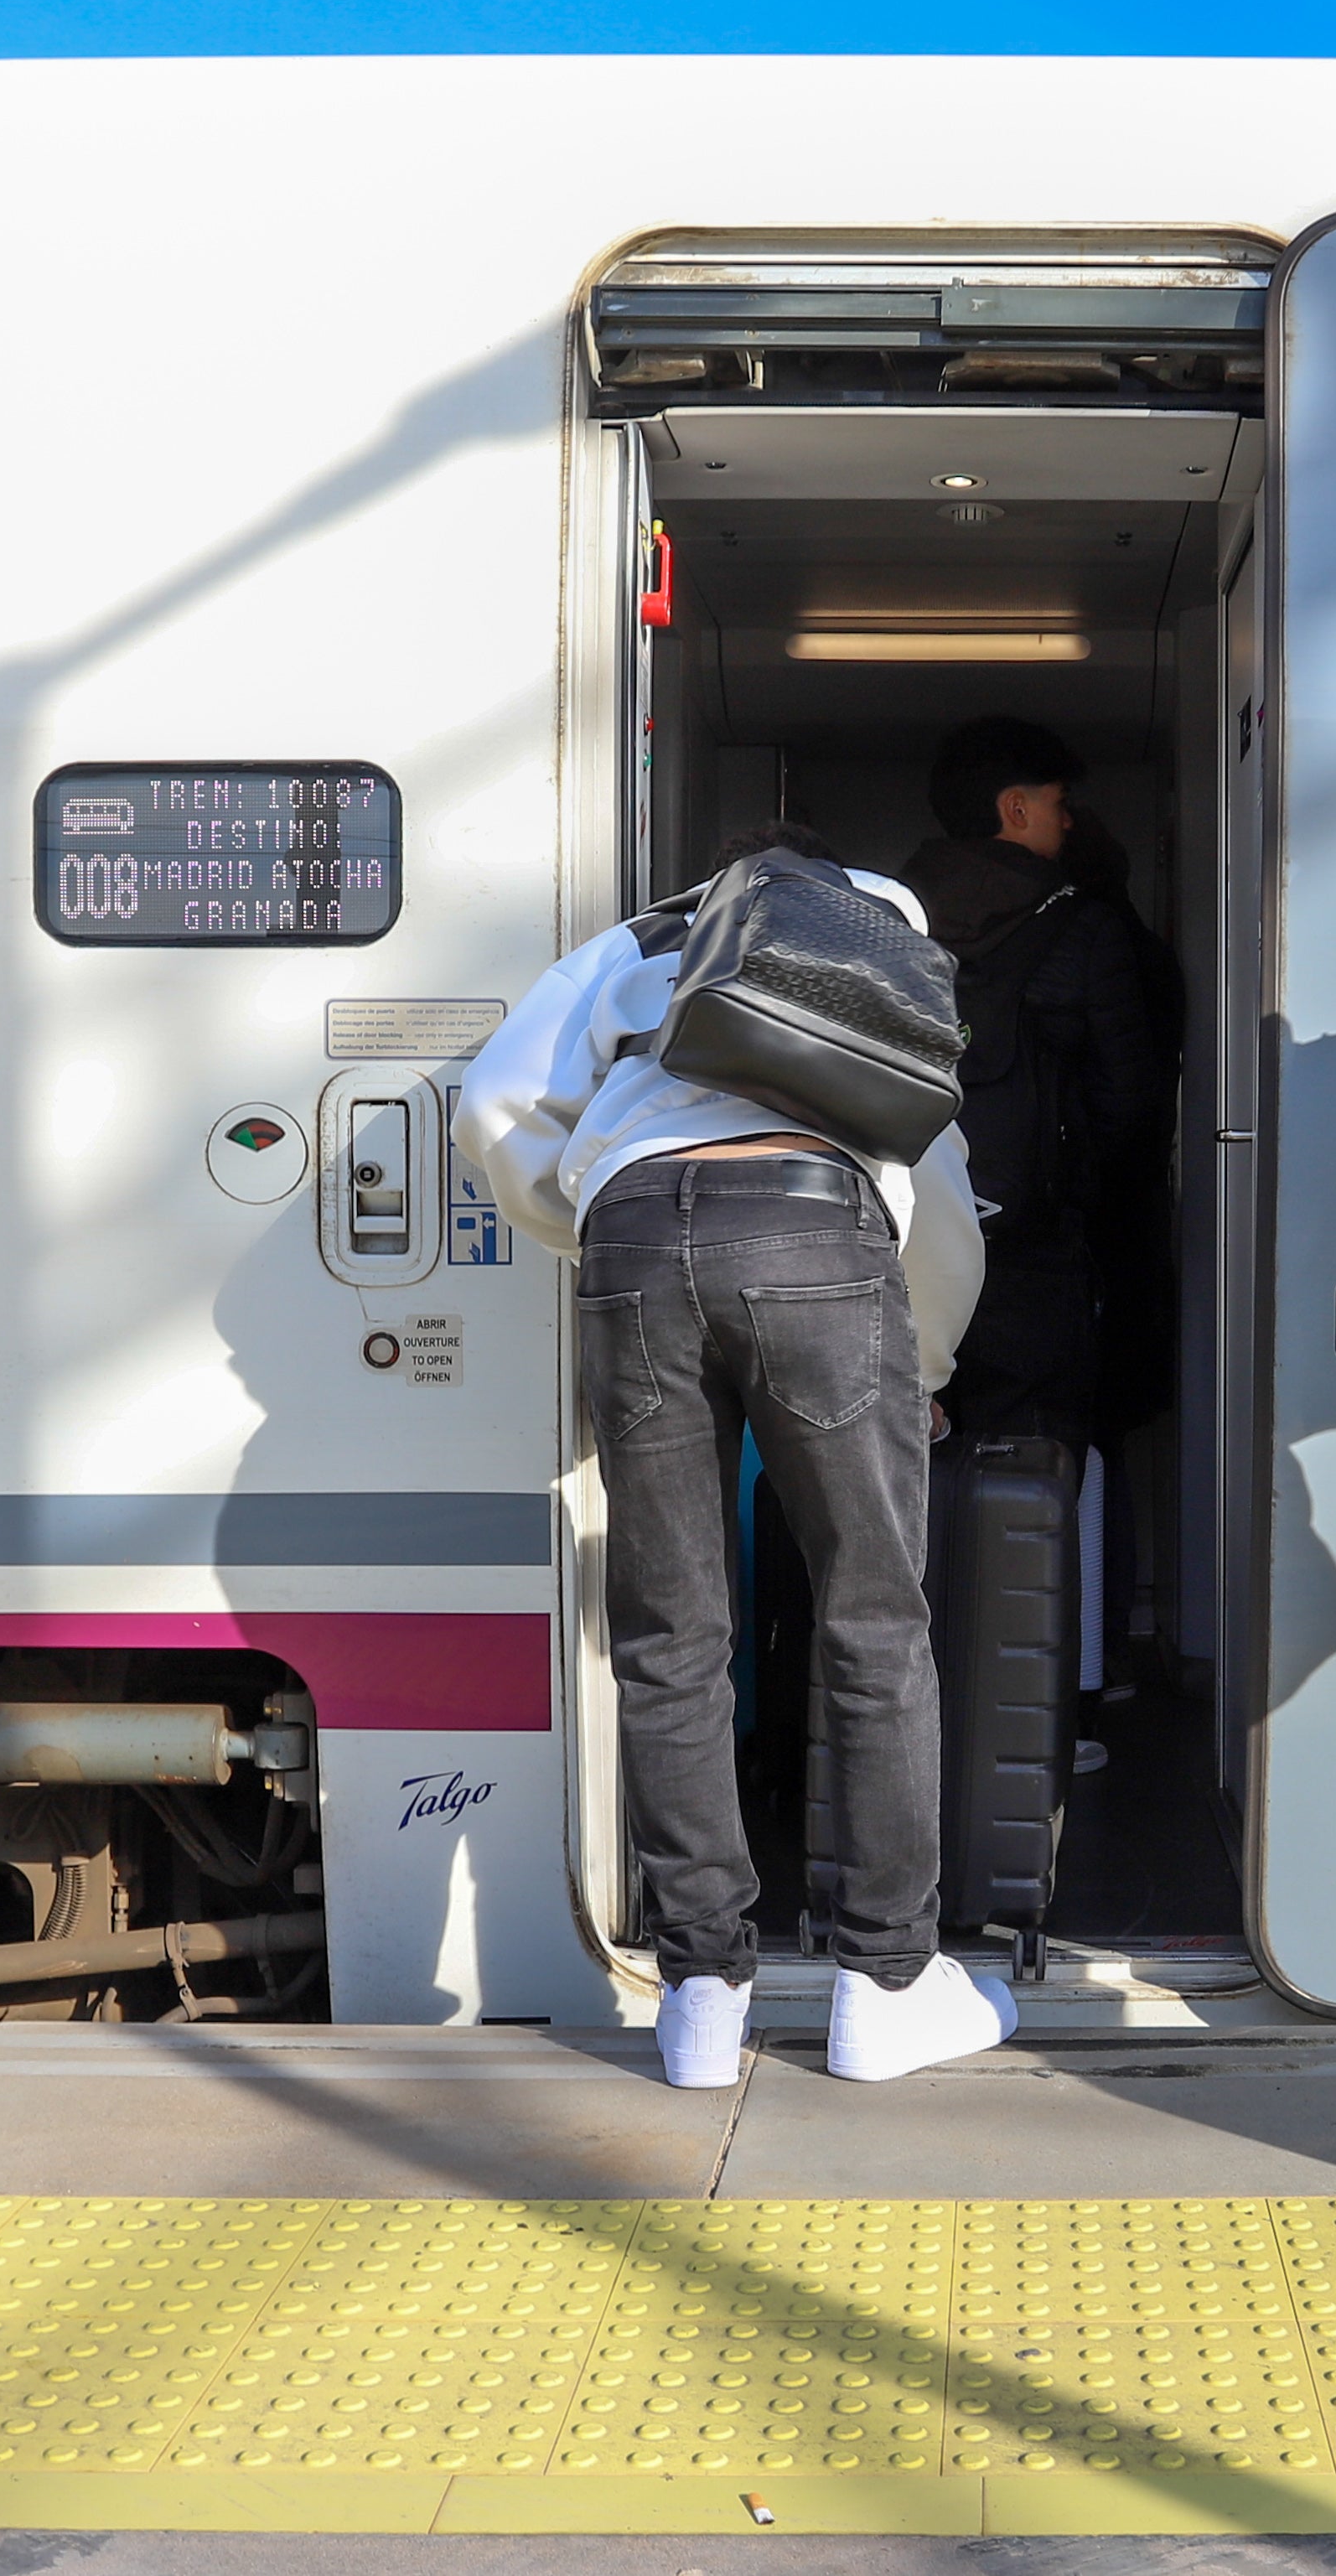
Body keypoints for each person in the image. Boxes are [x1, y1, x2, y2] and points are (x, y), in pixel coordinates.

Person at [462, 823, 1017, 2091]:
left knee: (670, 1630)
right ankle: (885, 1983)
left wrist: (599, 1206)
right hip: (819, 1236)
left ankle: (701, 1996)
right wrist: (918, 1366)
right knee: (874, 1620)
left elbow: (495, 1099)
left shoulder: (644, 933)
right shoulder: (883, 922)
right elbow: (928, 1171)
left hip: (635, 1240)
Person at [893, 718, 1179, 1457]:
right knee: (1033, 1469)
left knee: (898, 1465)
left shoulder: (888, 922)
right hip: (1035, 1252)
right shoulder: (1084, 927)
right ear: (1015, 809)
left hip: (899, 1246)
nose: (1067, 817)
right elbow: (1129, 1105)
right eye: (1056, 801)